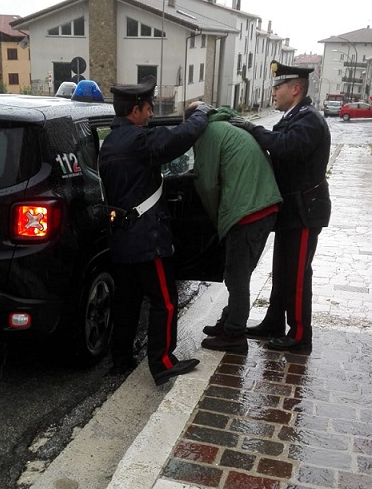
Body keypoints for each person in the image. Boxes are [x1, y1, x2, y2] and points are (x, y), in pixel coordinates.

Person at [99, 75, 214, 386]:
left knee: (128, 301)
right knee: (164, 302)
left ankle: (121, 359)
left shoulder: (110, 143)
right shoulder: (139, 141)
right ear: (135, 110)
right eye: (149, 108)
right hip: (148, 238)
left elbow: (135, 183)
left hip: (122, 238)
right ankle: (162, 363)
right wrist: (201, 114)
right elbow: (179, 138)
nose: (151, 115)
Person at [230, 60, 331, 352]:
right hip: (292, 209)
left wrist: (251, 128)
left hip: (304, 210)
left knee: (298, 274)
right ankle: (274, 322)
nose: (273, 93)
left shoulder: (309, 119)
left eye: (277, 87)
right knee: (282, 270)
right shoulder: (293, 116)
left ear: (295, 88)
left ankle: (300, 335)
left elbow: (285, 146)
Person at [184, 103, 282, 353]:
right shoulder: (230, 125)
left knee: (237, 276)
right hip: (265, 206)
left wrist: (218, 220)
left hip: (247, 211)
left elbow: (206, 186)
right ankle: (229, 319)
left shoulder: (208, 135)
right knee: (239, 272)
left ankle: (234, 334)